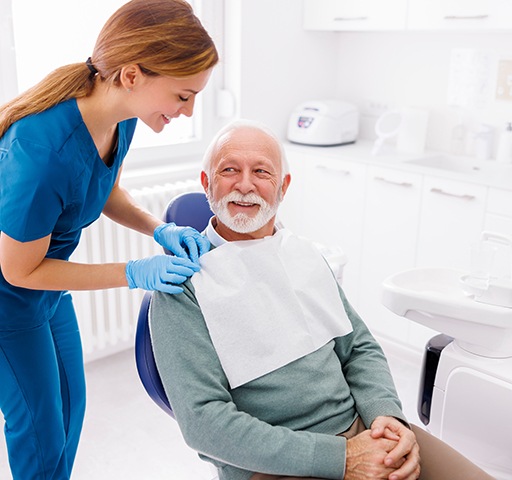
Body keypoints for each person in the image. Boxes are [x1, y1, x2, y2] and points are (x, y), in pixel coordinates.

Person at [149, 120, 495, 480]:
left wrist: (386, 417)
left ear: (283, 187)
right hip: (274, 463)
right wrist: (342, 458)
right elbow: (204, 422)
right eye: (229, 170)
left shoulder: (303, 255)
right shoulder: (182, 286)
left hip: (365, 429)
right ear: (206, 183)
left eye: (261, 172)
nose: (245, 184)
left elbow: (359, 347)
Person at [0, 1, 218, 478]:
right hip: (8, 301)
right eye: (183, 96)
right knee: (39, 432)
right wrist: (133, 272)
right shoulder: (38, 152)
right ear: (133, 75)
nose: (188, 110)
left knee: (70, 410)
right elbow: (17, 269)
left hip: (47, 290)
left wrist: (157, 228)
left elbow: (100, 185)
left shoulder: (120, 119)